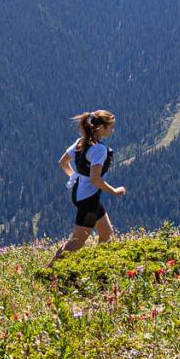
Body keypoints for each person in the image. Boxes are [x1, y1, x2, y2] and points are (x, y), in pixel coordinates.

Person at [51, 110, 125, 263]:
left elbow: (62, 162)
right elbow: (95, 179)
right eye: (110, 127)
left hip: (80, 193)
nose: (112, 130)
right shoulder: (99, 149)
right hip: (88, 200)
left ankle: (98, 266)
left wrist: (74, 176)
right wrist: (114, 191)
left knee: (106, 233)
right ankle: (48, 272)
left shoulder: (80, 142)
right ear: (101, 128)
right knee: (77, 242)